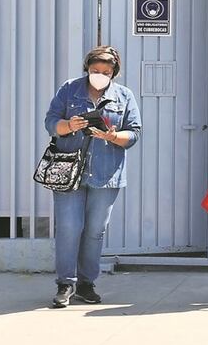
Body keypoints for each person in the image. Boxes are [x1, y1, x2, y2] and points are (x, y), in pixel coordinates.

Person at [44, 45, 141, 308]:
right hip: (69, 170)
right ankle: (65, 283)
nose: (99, 74)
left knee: (95, 231)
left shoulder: (124, 95)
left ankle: (87, 283)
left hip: (106, 173)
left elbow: (133, 133)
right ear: (87, 68)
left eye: (106, 71)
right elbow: (50, 121)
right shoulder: (69, 89)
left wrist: (112, 136)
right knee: (68, 228)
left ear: (114, 73)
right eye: (95, 70)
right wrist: (68, 126)